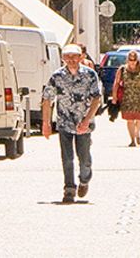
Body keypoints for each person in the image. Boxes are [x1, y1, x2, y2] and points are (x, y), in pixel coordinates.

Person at [41, 43, 103, 203]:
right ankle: (69, 189)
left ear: (81, 57)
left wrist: (87, 119)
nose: (71, 60)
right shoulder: (57, 76)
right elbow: (47, 99)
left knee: (84, 159)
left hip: (84, 123)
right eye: (68, 57)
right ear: (63, 58)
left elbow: (97, 98)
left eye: (74, 56)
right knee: (67, 158)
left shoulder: (89, 75)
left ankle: (84, 180)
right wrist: (46, 123)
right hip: (64, 123)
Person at [116, 49, 140, 147]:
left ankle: (137, 133)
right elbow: (116, 83)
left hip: (139, 97)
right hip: (127, 98)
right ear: (127, 60)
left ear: (137, 60)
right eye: (130, 59)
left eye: (134, 59)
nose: (132, 62)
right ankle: (132, 140)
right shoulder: (122, 69)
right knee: (130, 120)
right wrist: (114, 96)